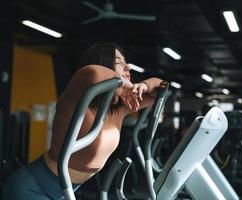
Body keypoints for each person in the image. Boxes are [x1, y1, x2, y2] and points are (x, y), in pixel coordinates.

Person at [3, 43, 163, 199]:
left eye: (125, 62)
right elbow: (91, 72)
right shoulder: (76, 98)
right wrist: (123, 84)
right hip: (32, 188)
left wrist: (143, 85)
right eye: (118, 62)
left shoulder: (119, 111)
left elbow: (162, 90)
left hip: (66, 191)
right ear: (104, 65)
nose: (127, 66)